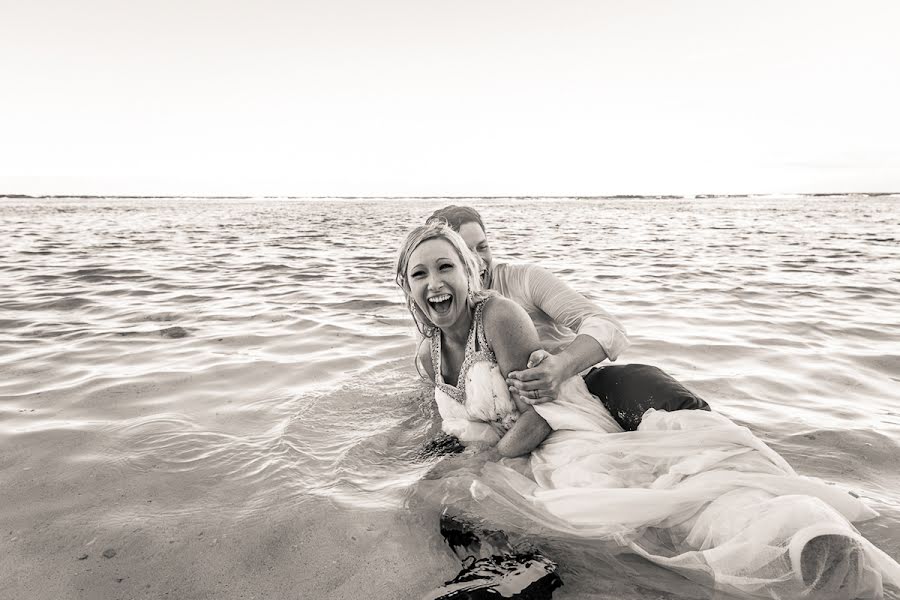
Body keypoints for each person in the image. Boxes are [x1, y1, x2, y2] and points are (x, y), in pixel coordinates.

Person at [398, 221, 900, 600]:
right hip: (515, 447)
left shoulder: (506, 307)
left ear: (470, 269)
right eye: (420, 272)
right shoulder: (426, 352)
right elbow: (459, 409)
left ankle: (795, 535)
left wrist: (495, 451)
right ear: (407, 287)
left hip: (559, 429)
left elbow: (559, 391)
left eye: (449, 264)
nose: (436, 279)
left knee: (620, 498)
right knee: (450, 503)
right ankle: (512, 575)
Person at [426, 205, 709, 431]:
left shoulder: (525, 279)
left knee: (687, 417)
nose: (479, 260)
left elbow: (607, 326)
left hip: (588, 384)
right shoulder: (437, 313)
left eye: (483, 247)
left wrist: (560, 366)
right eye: (465, 252)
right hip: (517, 419)